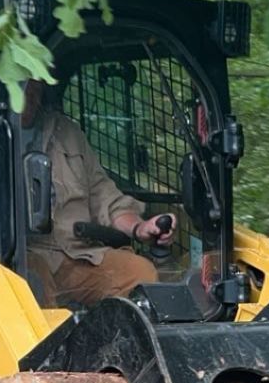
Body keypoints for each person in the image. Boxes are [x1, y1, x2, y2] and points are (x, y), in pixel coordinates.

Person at [22, 78, 176, 307]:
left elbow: (105, 198)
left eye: (36, 88)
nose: (31, 96)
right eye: (24, 87)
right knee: (32, 280)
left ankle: (121, 341)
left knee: (139, 273)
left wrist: (140, 227)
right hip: (17, 256)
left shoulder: (66, 132)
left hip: (75, 254)